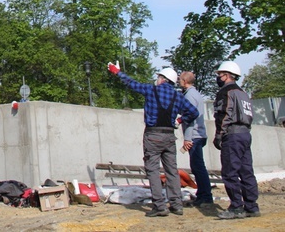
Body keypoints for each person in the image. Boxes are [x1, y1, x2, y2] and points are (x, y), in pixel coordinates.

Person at [108, 62, 199, 217]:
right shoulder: (177, 96)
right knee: (172, 171)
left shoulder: (151, 91)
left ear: (163, 79)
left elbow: (132, 83)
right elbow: (194, 112)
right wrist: (179, 121)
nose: (156, 79)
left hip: (153, 135)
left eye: (158, 77)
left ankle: (160, 206)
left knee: (153, 171)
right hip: (170, 136)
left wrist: (117, 72)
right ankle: (177, 205)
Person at [213, 61, 260, 219]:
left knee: (230, 171)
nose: (218, 77)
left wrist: (219, 134)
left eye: (220, 74)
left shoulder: (226, 92)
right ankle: (252, 206)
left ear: (227, 75)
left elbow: (223, 114)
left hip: (232, 135)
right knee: (246, 171)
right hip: (245, 134)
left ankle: (236, 207)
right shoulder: (243, 93)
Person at [178, 71, 213, 207]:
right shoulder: (194, 94)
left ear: (185, 81)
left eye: (180, 79)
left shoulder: (190, 96)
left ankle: (205, 196)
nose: (179, 81)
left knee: (198, 167)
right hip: (198, 135)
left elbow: (191, 117)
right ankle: (203, 194)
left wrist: (188, 138)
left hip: (195, 136)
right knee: (197, 166)